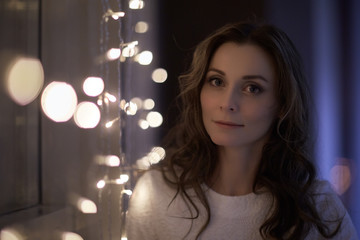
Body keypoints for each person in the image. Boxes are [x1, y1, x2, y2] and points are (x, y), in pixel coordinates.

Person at [125, 21, 358, 239]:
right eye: (217, 81)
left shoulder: (317, 208)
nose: (227, 103)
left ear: (282, 104)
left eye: (252, 88)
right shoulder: (155, 194)